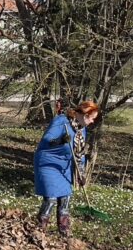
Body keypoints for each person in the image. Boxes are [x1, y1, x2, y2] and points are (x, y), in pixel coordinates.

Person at [33, 101, 100, 237]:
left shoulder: (82, 130)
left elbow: (79, 154)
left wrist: (81, 174)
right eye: (92, 117)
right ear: (84, 113)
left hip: (64, 167)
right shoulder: (61, 121)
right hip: (48, 164)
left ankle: (64, 232)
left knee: (65, 199)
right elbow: (47, 140)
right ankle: (39, 231)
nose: (92, 121)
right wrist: (61, 140)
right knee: (51, 199)